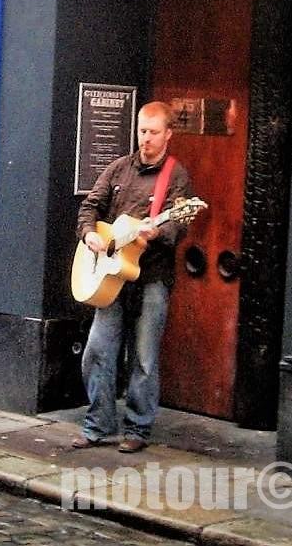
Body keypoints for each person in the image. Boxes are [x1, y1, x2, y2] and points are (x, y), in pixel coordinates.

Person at [72, 100, 192, 454]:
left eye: (154, 133)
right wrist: (89, 233)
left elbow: (178, 221)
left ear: (168, 134)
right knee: (98, 349)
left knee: (144, 356)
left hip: (152, 274)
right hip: (111, 274)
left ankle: (137, 427)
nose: (146, 139)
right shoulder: (118, 169)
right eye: (142, 131)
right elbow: (90, 206)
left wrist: (158, 232)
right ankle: (98, 425)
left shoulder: (176, 176)